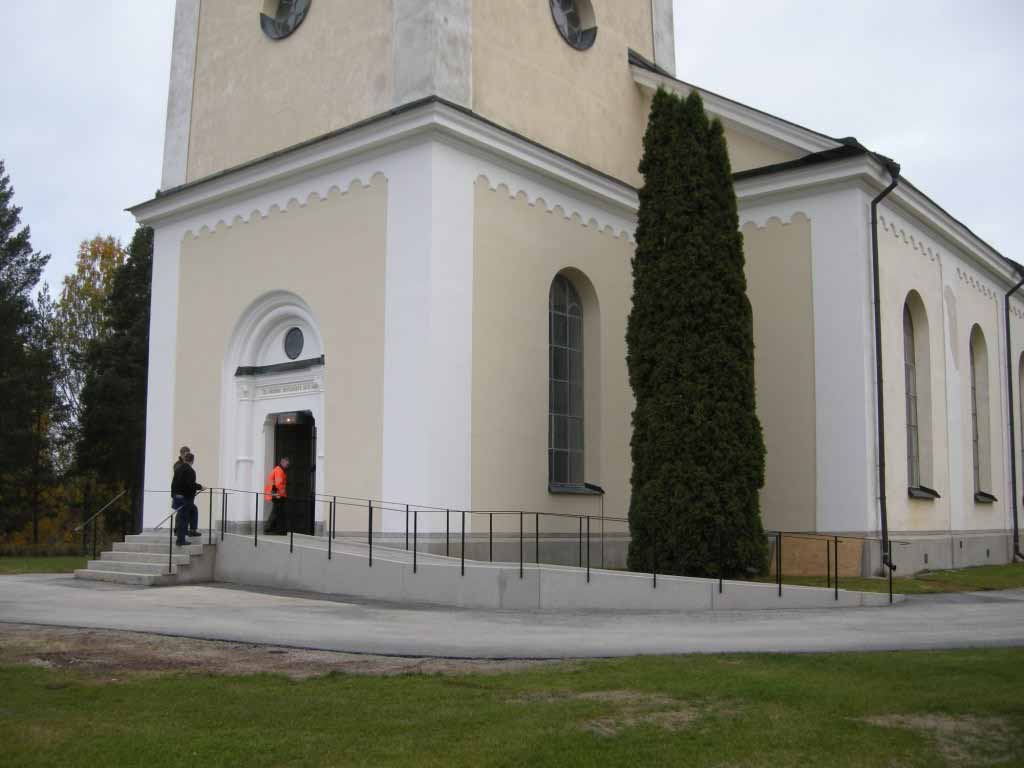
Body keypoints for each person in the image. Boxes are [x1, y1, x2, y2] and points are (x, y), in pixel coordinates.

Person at [171, 453, 203, 546]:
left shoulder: (178, 469)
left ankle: (192, 530)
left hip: (177, 496)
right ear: (192, 461)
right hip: (185, 498)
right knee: (183, 518)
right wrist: (200, 487)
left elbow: (173, 484)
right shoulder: (190, 471)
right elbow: (190, 485)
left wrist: (173, 495)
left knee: (193, 509)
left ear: (184, 459)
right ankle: (180, 540)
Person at [264, 457, 290, 535]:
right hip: (277, 495)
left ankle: (278, 530)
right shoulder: (279, 470)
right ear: (283, 462)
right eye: (287, 464)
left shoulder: (279, 470)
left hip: (275, 494)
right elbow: (278, 484)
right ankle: (269, 529)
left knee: (278, 512)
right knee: (277, 512)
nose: (288, 465)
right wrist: (283, 494)